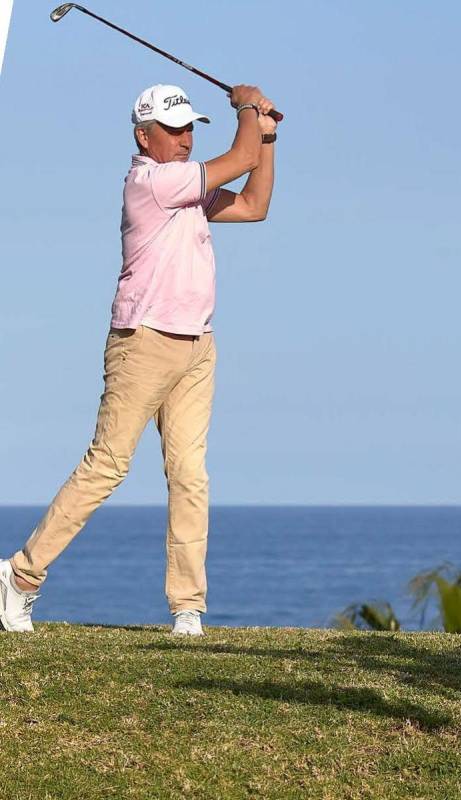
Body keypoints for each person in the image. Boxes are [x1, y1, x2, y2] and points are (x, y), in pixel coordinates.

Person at [0, 83, 278, 636]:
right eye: (173, 130)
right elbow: (240, 157)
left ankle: (187, 608)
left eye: (189, 127)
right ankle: (20, 576)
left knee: (190, 475)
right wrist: (248, 105)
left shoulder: (189, 188)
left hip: (197, 344)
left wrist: (267, 138)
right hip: (144, 341)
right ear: (143, 137)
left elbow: (254, 206)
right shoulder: (152, 182)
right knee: (108, 464)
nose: (185, 138)